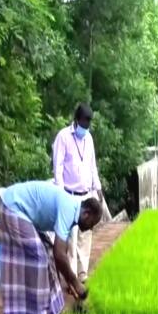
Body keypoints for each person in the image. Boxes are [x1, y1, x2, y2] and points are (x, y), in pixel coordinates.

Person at [0, 181, 103, 314]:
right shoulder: (68, 208)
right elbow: (59, 253)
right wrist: (76, 282)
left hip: (22, 211)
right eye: (92, 223)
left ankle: (51, 310)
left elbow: (60, 253)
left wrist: (70, 282)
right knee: (40, 259)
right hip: (11, 206)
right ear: (86, 214)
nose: (91, 228)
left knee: (48, 254)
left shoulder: (72, 211)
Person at [52, 103, 102, 282]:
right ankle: (71, 276)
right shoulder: (63, 137)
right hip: (69, 196)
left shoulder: (89, 139)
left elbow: (92, 166)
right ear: (76, 120)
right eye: (83, 124)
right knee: (71, 240)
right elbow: (57, 167)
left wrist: (98, 189)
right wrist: (60, 195)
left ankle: (83, 273)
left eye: (88, 125)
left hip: (87, 194)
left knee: (85, 235)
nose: (85, 129)